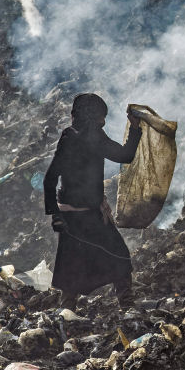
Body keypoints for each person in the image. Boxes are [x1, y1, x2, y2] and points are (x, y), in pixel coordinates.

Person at [43, 93, 142, 309]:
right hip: (81, 216)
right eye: (100, 117)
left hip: (79, 215)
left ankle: (69, 310)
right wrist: (134, 129)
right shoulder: (88, 136)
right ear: (93, 117)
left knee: (75, 266)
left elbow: (50, 179)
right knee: (117, 257)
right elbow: (126, 155)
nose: (103, 121)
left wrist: (57, 215)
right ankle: (126, 305)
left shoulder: (75, 136)